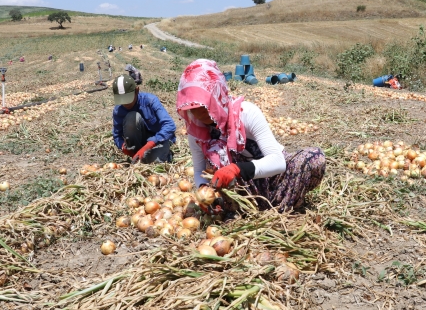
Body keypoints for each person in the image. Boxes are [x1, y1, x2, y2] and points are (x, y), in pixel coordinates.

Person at [177, 59, 326, 213]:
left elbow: (278, 161)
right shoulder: (197, 131)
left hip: (275, 178)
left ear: (217, 93)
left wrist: (237, 169)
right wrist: (205, 194)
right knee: (211, 170)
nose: (197, 112)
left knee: (315, 157)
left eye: (203, 103)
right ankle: (246, 207)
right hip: (240, 189)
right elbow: (199, 171)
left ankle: (277, 206)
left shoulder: (246, 113)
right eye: (191, 106)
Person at [112, 74, 176, 163]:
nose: (126, 103)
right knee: (132, 117)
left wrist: (150, 144)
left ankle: (163, 154)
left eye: (128, 99)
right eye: (122, 100)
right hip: (139, 142)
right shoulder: (118, 110)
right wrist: (123, 147)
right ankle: (137, 154)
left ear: (137, 90)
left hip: (157, 140)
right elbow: (117, 135)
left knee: (154, 161)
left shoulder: (150, 101)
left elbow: (170, 125)